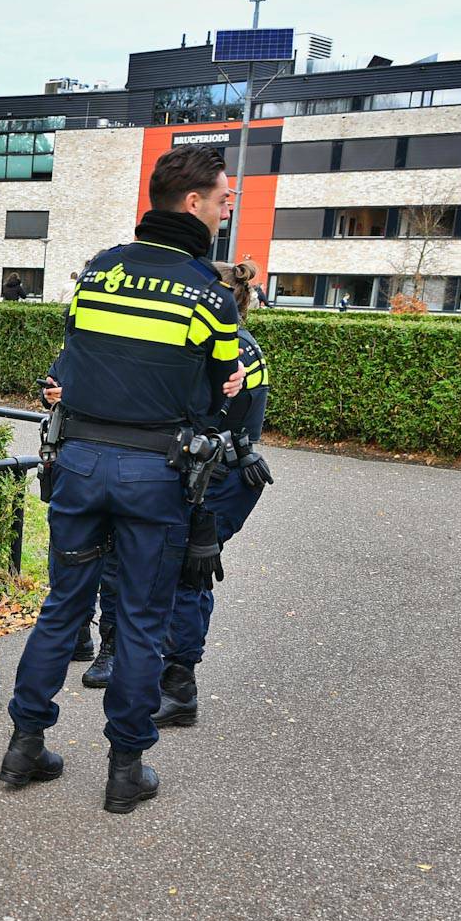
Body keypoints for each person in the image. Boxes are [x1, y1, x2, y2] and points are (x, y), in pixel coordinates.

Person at [0, 144, 244, 813]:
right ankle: (125, 770)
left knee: (61, 609)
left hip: (78, 466)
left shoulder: (100, 272)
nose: (228, 209)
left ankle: (23, 747)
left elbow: (72, 359)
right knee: (140, 621)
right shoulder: (209, 294)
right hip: (153, 477)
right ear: (193, 204)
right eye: (224, 198)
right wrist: (224, 390)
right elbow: (221, 397)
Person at [153, 258, 276, 728]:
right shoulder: (235, 341)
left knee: (189, 570)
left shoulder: (228, 349)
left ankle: (179, 688)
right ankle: (167, 675)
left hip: (219, 477)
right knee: (182, 569)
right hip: (222, 471)